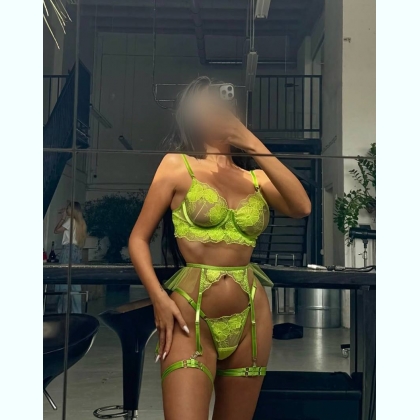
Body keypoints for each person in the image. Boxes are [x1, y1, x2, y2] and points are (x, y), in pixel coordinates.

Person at [128, 77, 311, 420]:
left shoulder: (255, 178)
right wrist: (159, 299)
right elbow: (138, 239)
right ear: (192, 115)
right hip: (189, 316)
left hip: (252, 317)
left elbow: (302, 206)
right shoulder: (177, 165)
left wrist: (251, 142)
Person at [54, 201, 87, 313]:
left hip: (68, 250)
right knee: (75, 282)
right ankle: (77, 312)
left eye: (68, 208)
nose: (66, 209)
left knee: (64, 281)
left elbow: (56, 231)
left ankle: (62, 311)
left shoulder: (70, 221)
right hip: (77, 251)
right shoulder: (81, 222)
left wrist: (63, 218)